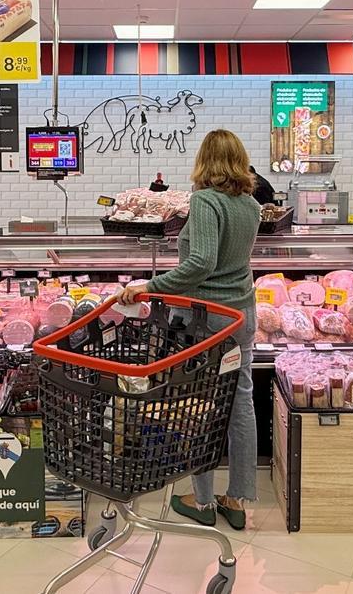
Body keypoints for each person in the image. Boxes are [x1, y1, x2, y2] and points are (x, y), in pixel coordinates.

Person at [118, 129, 260, 531]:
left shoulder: (204, 201)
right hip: (241, 315)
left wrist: (149, 286)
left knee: (199, 406)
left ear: (204, 161)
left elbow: (199, 263)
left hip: (205, 318)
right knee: (240, 403)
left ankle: (202, 502)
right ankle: (238, 498)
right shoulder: (249, 203)